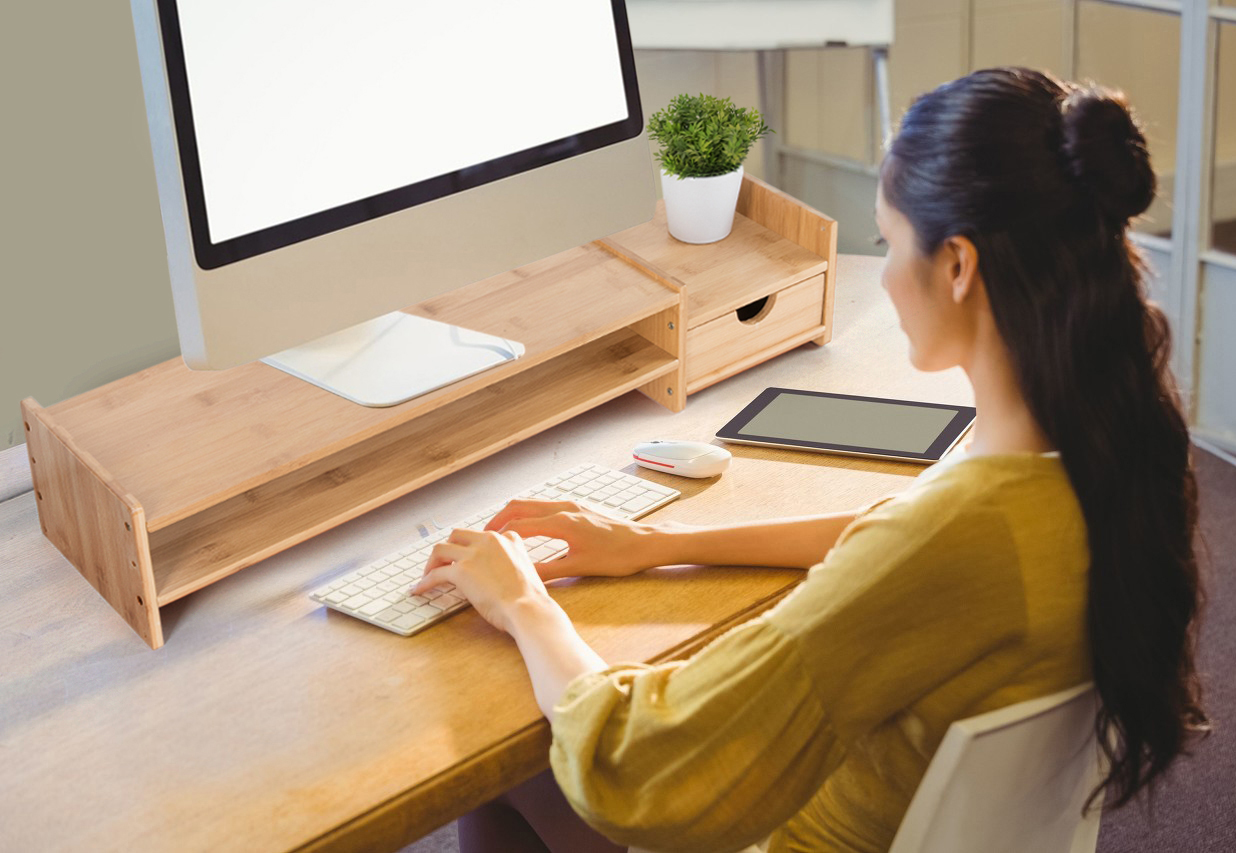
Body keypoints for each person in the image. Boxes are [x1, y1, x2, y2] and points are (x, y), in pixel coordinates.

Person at [412, 67, 1210, 853]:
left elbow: (642, 760)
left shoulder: (960, 530)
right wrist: (659, 545)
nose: (886, 274)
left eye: (887, 241)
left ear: (959, 266)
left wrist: (522, 602)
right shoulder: (1104, 445)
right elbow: (892, 530)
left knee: (520, 768)